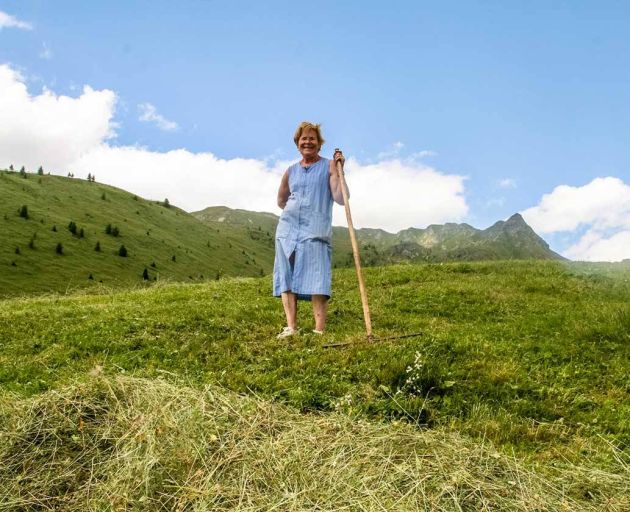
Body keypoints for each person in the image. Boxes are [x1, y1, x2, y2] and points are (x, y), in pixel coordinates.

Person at [273, 121, 347, 338]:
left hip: (315, 230)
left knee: (318, 277)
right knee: (286, 276)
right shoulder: (291, 171)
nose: (308, 142)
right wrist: (294, 211)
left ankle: (319, 330)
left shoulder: (328, 166)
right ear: (297, 143)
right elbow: (280, 200)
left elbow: (341, 198)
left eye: (312, 138)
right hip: (287, 230)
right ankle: (291, 327)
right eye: (303, 138)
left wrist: (341, 171)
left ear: (319, 143)